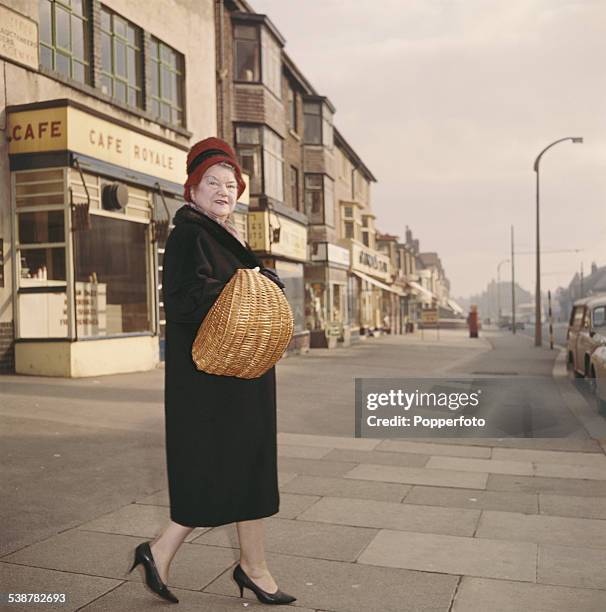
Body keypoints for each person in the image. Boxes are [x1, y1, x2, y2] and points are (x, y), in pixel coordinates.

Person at [128, 137, 296, 606]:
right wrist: (245, 285)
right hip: (209, 380)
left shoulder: (226, 233)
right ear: (192, 190)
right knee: (214, 470)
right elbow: (183, 301)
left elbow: (246, 292)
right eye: (213, 183)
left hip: (240, 373)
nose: (224, 190)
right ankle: (165, 552)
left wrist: (255, 284)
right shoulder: (190, 234)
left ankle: (250, 566)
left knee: (250, 467)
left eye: (231, 183)